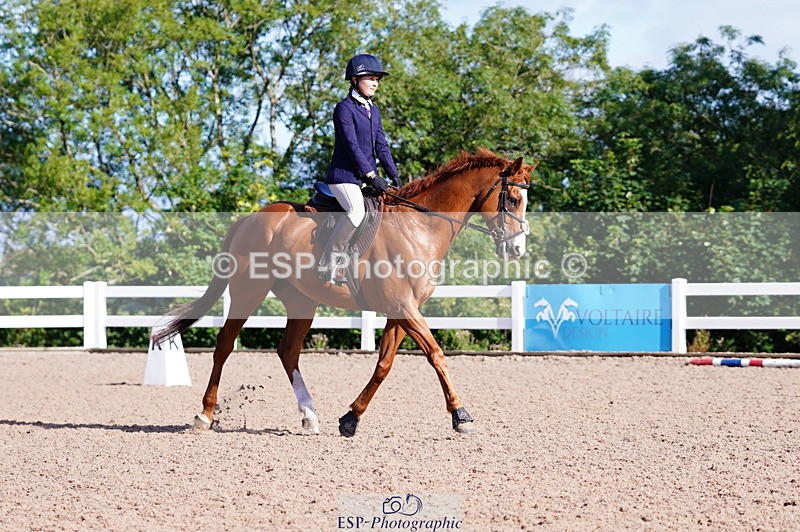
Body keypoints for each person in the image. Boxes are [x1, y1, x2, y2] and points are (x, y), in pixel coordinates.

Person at [320, 53, 402, 284]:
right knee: (357, 212)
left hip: (365, 178)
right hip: (344, 177)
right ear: (355, 80)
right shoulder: (344, 108)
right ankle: (330, 262)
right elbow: (352, 145)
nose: (375, 83)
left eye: (378, 79)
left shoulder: (373, 110)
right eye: (370, 78)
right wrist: (372, 175)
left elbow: (381, 145)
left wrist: (394, 174)